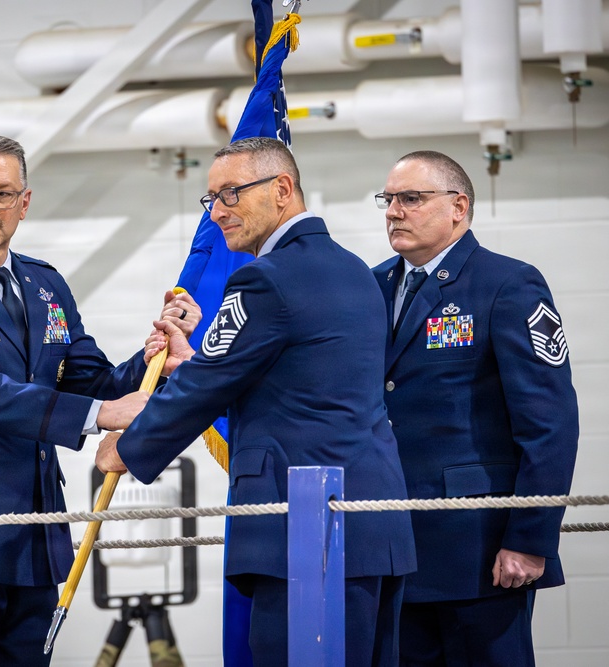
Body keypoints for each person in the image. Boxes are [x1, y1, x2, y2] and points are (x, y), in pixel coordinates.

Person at [0, 134, 201, 667]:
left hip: (34, 535)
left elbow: (90, 380)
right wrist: (102, 416)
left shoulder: (44, 285)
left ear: (24, 203)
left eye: (3, 193)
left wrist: (154, 363)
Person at [96, 136, 417, 667]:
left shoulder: (264, 279)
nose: (217, 213)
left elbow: (209, 388)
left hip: (307, 530)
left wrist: (128, 448)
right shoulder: (357, 272)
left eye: (231, 194)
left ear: (282, 189)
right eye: (211, 198)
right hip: (372, 527)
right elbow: (300, 380)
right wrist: (192, 362)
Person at [371, 150, 579, 666]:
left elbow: (549, 424)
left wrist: (530, 538)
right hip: (390, 549)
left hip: (479, 552)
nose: (394, 211)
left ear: (458, 206)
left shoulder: (507, 284)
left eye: (411, 199)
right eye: (389, 199)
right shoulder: (370, 286)